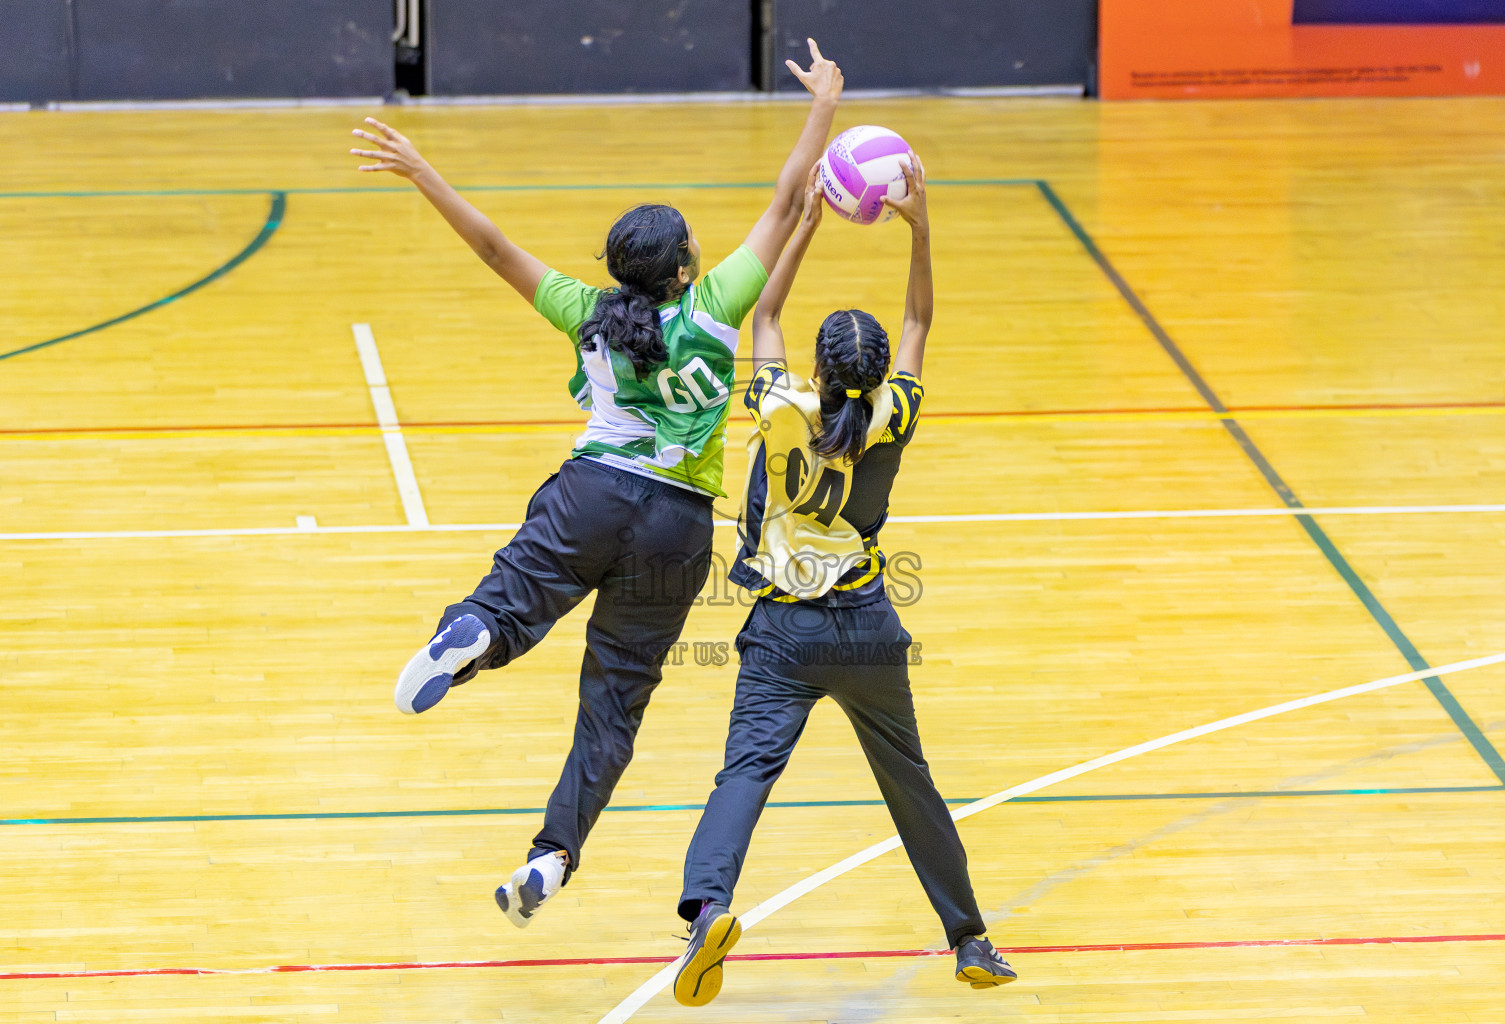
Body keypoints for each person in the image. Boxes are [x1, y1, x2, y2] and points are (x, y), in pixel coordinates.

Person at [348, 40, 844, 928]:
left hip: (592, 497)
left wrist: (422, 169)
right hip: (679, 529)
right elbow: (784, 196)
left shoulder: (588, 313)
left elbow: (498, 251)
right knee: (614, 699)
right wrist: (823, 107)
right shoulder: (717, 303)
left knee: (508, 604)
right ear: (685, 269)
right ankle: (550, 856)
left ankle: (474, 632)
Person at [670, 160, 1017, 1007]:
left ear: (820, 373)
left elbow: (768, 310)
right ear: (878, 375)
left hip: (783, 635)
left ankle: (709, 910)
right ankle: (970, 938)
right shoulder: (894, 414)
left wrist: (810, 222)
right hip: (867, 628)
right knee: (912, 783)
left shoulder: (782, 404)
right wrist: (921, 227)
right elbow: (919, 319)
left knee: (742, 776)